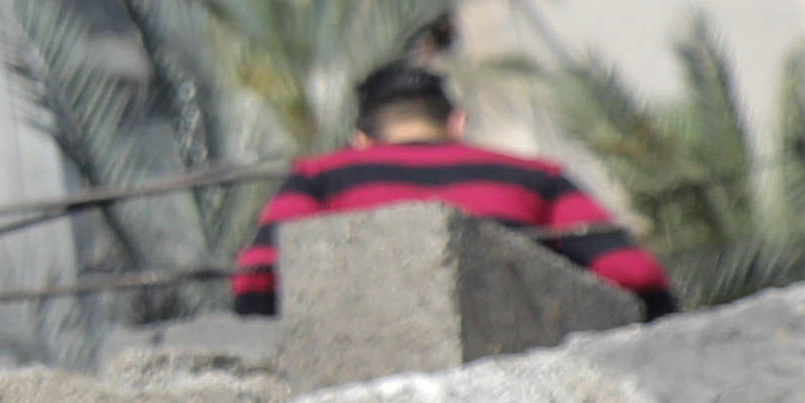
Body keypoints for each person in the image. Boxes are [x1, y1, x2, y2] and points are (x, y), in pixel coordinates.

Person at [226, 57, 677, 315]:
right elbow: (635, 275)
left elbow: (258, 280)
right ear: (457, 123)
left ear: (361, 140)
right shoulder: (537, 175)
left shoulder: (320, 175)